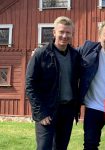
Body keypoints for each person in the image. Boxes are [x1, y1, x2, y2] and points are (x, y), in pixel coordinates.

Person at [26, 16, 81, 150]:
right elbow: (30, 85)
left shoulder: (75, 56)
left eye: (68, 32)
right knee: (44, 147)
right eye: (61, 32)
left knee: (61, 147)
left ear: (72, 34)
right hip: (47, 110)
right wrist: (40, 113)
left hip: (67, 110)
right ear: (54, 32)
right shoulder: (41, 54)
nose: (64, 35)